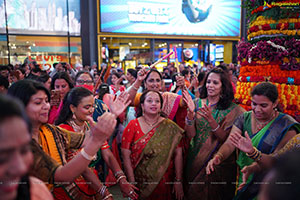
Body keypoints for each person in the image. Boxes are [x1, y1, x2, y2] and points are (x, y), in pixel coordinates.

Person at [7, 79, 118, 200]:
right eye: (38, 103)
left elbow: (84, 139)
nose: (47, 106)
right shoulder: (17, 143)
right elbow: (61, 175)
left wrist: (112, 115)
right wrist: (96, 140)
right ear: (19, 106)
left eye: (47, 101)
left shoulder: (51, 131)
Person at [206, 82, 298, 200]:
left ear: (275, 103)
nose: (257, 109)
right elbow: (230, 143)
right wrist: (219, 156)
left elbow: (276, 162)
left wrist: (253, 153)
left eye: (263, 105)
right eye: (254, 104)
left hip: (270, 185)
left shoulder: (286, 126)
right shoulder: (245, 118)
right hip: (243, 178)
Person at [55, 87, 137, 198]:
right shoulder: (64, 130)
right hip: (71, 187)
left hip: (92, 183)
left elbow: (107, 154)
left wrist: (121, 178)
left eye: (93, 106)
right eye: (87, 107)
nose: (92, 110)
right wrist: (103, 192)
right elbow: (82, 168)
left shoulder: (89, 125)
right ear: (72, 108)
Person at [183, 68, 245, 200]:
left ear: (223, 87)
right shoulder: (196, 104)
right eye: (208, 82)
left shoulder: (232, 110)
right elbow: (190, 135)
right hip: (195, 158)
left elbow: (226, 139)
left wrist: (212, 121)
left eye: (215, 83)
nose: (210, 85)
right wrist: (190, 115)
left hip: (218, 163)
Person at [121, 90, 184, 200]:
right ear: (142, 105)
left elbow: (178, 154)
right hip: (139, 183)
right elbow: (125, 155)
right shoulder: (133, 125)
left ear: (161, 106)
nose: (154, 103)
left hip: (165, 182)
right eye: (149, 101)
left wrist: (178, 181)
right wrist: (132, 181)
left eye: (157, 101)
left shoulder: (170, 127)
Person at [0, 94, 53, 200]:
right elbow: (60, 174)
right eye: (2, 157)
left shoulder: (36, 192)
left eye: (24, 151)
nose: (20, 168)